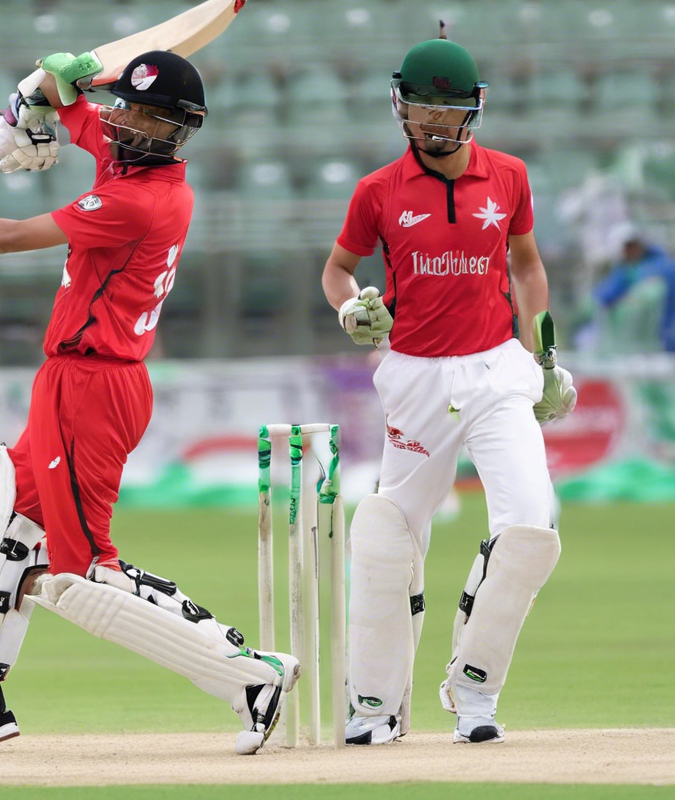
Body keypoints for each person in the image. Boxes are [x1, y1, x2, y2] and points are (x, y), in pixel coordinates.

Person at [0, 51, 298, 755]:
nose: (128, 123)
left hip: (89, 387)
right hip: (79, 381)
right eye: (126, 107)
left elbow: (5, 238)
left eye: (147, 116)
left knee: (86, 572)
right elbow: (70, 103)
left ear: (177, 131)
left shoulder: (134, 199)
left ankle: (249, 676)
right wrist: (48, 81)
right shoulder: (129, 162)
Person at [320, 35, 578, 745]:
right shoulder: (377, 190)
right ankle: (375, 707)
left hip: (497, 368)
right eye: (422, 112)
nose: (434, 126)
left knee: (530, 527)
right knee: (387, 534)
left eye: (448, 113)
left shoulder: (510, 177)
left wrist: (544, 358)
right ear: (401, 108)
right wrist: (349, 308)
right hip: (414, 374)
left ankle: (474, 694)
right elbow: (338, 270)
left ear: (476, 109)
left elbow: (526, 267)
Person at [591, 223, 675, 353]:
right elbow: (605, 295)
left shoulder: (660, 268)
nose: (630, 250)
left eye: (632, 245)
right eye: (626, 247)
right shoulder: (628, 270)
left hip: (662, 340)